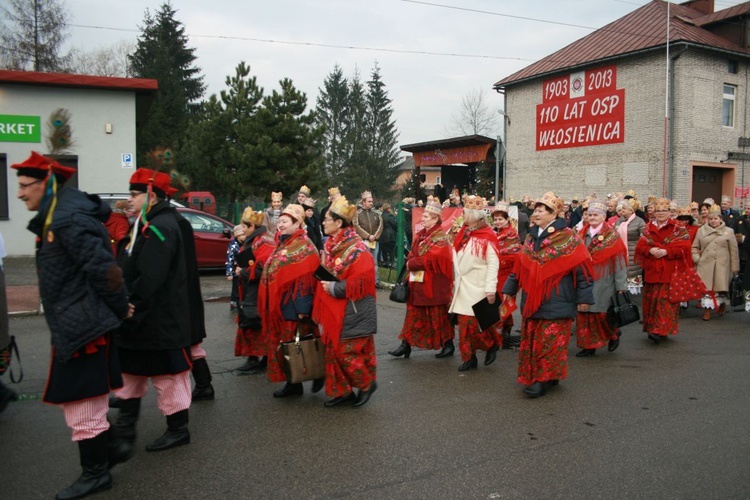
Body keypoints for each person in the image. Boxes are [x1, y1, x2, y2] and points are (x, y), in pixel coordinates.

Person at [14, 151, 132, 498]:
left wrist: (120, 306)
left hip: (84, 325)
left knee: (83, 402)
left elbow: (105, 270)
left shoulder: (67, 219)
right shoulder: (59, 215)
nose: (19, 194)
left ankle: (96, 473)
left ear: (47, 183)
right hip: (77, 322)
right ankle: (111, 448)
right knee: (81, 400)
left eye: (24, 186)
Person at [113, 167, 193, 457]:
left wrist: (130, 302)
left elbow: (151, 276)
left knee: (168, 377)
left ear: (151, 195)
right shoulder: (147, 222)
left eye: (134, 195)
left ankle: (178, 430)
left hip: (157, 319)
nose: (129, 200)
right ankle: (124, 430)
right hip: (142, 319)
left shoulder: (161, 227)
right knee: (131, 372)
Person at [502, 192, 594, 398]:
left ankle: (542, 379)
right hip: (533, 300)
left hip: (558, 298)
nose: (536, 214)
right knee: (535, 341)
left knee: (551, 342)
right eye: (535, 210)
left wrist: (585, 299)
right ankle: (549, 375)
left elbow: (583, 271)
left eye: (540, 210)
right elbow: (520, 267)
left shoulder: (569, 237)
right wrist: (509, 289)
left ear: (554, 214)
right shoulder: (531, 236)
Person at [314, 196, 378, 407]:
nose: (323, 223)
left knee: (345, 352)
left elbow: (362, 282)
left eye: (326, 219)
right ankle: (343, 392)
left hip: (353, 312)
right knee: (333, 352)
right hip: (337, 312)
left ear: (339, 222)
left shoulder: (357, 249)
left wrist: (333, 287)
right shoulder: (333, 245)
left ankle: (367, 384)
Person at [258, 204, 320, 398]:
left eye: (285, 222)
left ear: (297, 223)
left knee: (298, 345)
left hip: (295, 308)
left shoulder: (305, 246)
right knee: (287, 345)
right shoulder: (285, 242)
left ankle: (311, 375)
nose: (280, 225)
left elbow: (307, 281)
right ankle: (293, 383)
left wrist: (302, 309)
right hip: (283, 305)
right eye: (279, 221)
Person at [388, 200, 454, 359]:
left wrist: (412, 262)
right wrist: (412, 259)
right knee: (413, 315)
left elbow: (432, 259)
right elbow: (414, 253)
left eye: (426, 217)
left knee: (438, 316)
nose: (422, 219)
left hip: (433, 285)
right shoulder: (422, 235)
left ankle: (448, 344)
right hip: (418, 283)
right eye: (423, 216)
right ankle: (406, 344)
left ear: (434, 219)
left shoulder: (440, 238)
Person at [449, 195, 502, 372]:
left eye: (465, 211)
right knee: (463, 327)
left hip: (478, 288)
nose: (462, 213)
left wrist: (490, 289)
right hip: (462, 287)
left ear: (474, 215)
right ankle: (469, 357)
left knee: (476, 326)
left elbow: (493, 264)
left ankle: (492, 344)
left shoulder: (488, 235)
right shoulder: (462, 232)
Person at [635, 197, 693, 344]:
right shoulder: (647, 228)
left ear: (669, 212)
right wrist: (651, 249)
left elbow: (685, 247)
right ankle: (652, 327)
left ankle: (661, 329)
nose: (660, 213)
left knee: (665, 302)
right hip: (652, 270)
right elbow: (640, 247)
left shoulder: (678, 227)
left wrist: (667, 251)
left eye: (664, 211)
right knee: (651, 301)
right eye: (658, 211)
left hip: (669, 271)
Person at [574, 200, 628, 357]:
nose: (592, 217)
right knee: (584, 314)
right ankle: (588, 346)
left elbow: (619, 263)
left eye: (595, 214)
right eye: (589, 214)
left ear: (604, 217)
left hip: (604, 281)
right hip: (583, 280)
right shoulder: (580, 235)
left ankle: (613, 334)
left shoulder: (612, 236)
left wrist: (621, 286)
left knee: (601, 314)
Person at [234, 207, 275, 374]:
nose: (242, 230)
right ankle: (256, 358)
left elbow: (262, 268)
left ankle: (259, 359)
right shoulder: (256, 239)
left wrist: (242, 272)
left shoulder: (264, 241)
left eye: (244, 226)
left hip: (259, 292)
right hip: (252, 290)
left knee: (256, 323)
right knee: (253, 323)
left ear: (252, 226)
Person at [692, 204, 740, 320]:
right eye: (711, 219)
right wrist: (697, 259)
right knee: (706, 289)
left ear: (720, 219)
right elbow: (693, 247)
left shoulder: (729, 231)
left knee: (720, 288)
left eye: (716, 219)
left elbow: (733, 251)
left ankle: (722, 304)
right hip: (705, 264)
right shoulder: (701, 231)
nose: (713, 221)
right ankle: (707, 310)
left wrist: (735, 269)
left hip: (722, 265)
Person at [492, 202, 522, 342]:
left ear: (507, 220)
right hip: (496, 274)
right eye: (496, 219)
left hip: (507, 274)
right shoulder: (495, 234)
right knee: (500, 301)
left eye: (500, 219)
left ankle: (500, 330)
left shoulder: (512, 235)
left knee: (503, 301)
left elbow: (515, 254)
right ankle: (506, 328)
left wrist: (495, 256)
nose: (497, 222)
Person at [353, 190, 383, 288]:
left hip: (374, 241)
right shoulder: (357, 213)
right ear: (363, 202)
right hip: (363, 241)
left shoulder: (376, 213)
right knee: (363, 262)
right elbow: (356, 225)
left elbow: (381, 225)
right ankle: (363, 281)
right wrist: (367, 236)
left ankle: (375, 281)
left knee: (374, 262)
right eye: (369, 201)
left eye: (372, 201)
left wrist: (375, 236)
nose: (371, 203)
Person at [615, 200, 646, 295]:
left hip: (633, 252)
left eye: (625, 208)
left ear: (631, 210)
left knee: (632, 274)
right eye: (622, 208)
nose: (622, 210)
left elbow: (644, 236)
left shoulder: (639, 221)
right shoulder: (619, 220)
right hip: (620, 251)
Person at [226, 225, 244, 313]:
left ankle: (242, 303)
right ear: (237, 235)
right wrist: (229, 273)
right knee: (235, 289)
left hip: (244, 270)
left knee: (243, 287)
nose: (244, 236)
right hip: (235, 271)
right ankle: (234, 305)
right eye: (242, 235)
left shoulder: (247, 243)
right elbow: (229, 259)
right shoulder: (233, 245)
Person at [379, 203, 397, 268]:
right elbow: (395, 224)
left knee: (384, 251)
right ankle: (391, 263)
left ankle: (385, 262)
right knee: (391, 251)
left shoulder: (380, 216)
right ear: (388, 209)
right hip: (390, 236)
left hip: (382, 236)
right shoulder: (390, 216)